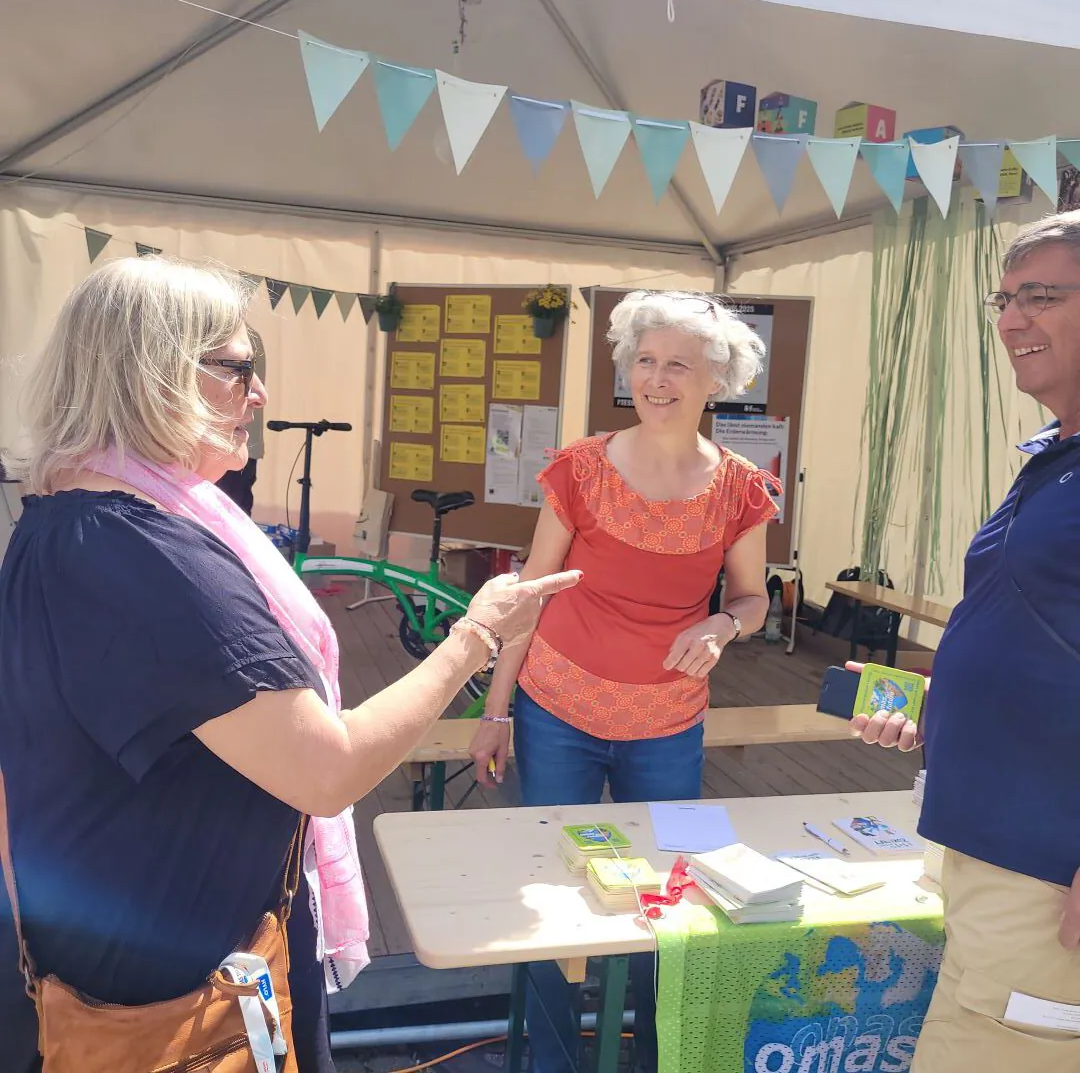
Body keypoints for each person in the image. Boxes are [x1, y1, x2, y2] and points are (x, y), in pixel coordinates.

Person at [0, 256, 580, 1072]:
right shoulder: (140, 552)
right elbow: (328, 769)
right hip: (174, 997)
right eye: (238, 370)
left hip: (138, 953)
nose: (260, 396)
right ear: (150, 374)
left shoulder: (69, 518)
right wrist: (474, 636)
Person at [468, 289, 779, 1073]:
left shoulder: (743, 489)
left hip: (669, 723)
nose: (657, 377)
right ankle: (550, 1062)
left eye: (679, 363)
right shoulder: (579, 467)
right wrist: (496, 710)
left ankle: (658, 1055)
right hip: (557, 711)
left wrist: (722, 624)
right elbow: (532, 593)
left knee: (669, 899)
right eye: (645, 360)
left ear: (719, 378)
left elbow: (752, 598)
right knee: (547, 897)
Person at [851, 210, 1080, 1071]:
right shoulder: (1056, 454)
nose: (1012, 320)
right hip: (993, 855)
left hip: (1046, 878)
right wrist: (937, 704)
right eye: (1005, 299)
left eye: (1043, 296)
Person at [215, 324, 265, 514]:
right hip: (230, 440)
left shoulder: (235, 331)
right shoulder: (243, 332)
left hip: (233, 441)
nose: (261, 395)